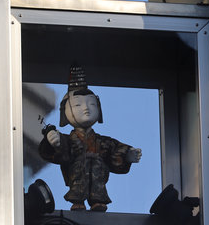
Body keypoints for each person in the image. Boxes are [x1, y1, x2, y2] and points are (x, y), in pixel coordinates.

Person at [39, 65, 141, 211]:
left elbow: (115, 151)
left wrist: (127, 155)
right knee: (80, 165)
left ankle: (98, 200)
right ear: (66, 111)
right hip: (76, 177)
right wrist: (51, 141)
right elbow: (56, 153)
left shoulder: (104, 142)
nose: (86, 108)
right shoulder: (67, 140)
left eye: (91, 104)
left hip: (99, 178)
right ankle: (78, 200)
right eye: (78, 105)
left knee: (98, 164)